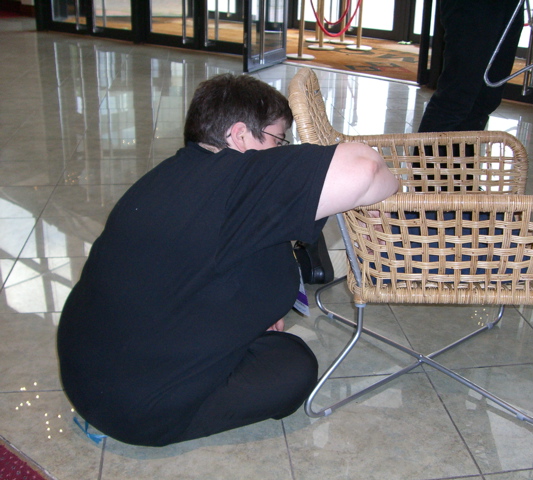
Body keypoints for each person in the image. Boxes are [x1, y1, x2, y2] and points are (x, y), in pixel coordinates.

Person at [56, 73, 398, 447]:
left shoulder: (170, 176)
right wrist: (398, 188)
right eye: (278, 139)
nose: (283, 151)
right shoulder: (236, 182)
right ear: (239, 136)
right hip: (139, 409)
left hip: (88, 374)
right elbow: (366, 169)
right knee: (293, 366)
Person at [418, 0, 524, 133]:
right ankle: (429, 153)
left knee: (486, 98)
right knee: (457, 97)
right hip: (472, 5)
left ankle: (463, 153)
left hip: (511, 5)